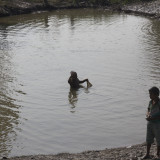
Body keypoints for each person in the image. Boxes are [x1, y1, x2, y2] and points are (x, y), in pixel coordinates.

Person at [142, 86, 160, 159]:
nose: (149, 95)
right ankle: (147, 154)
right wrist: (148, 115)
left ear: (156, 94)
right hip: (150, 123)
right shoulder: (150, 102)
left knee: (159, 140)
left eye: (151, 94)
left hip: (157, 124)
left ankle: (158, 154)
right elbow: (148, 109)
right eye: (149, 94)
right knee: (148, 139)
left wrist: (153, 118)